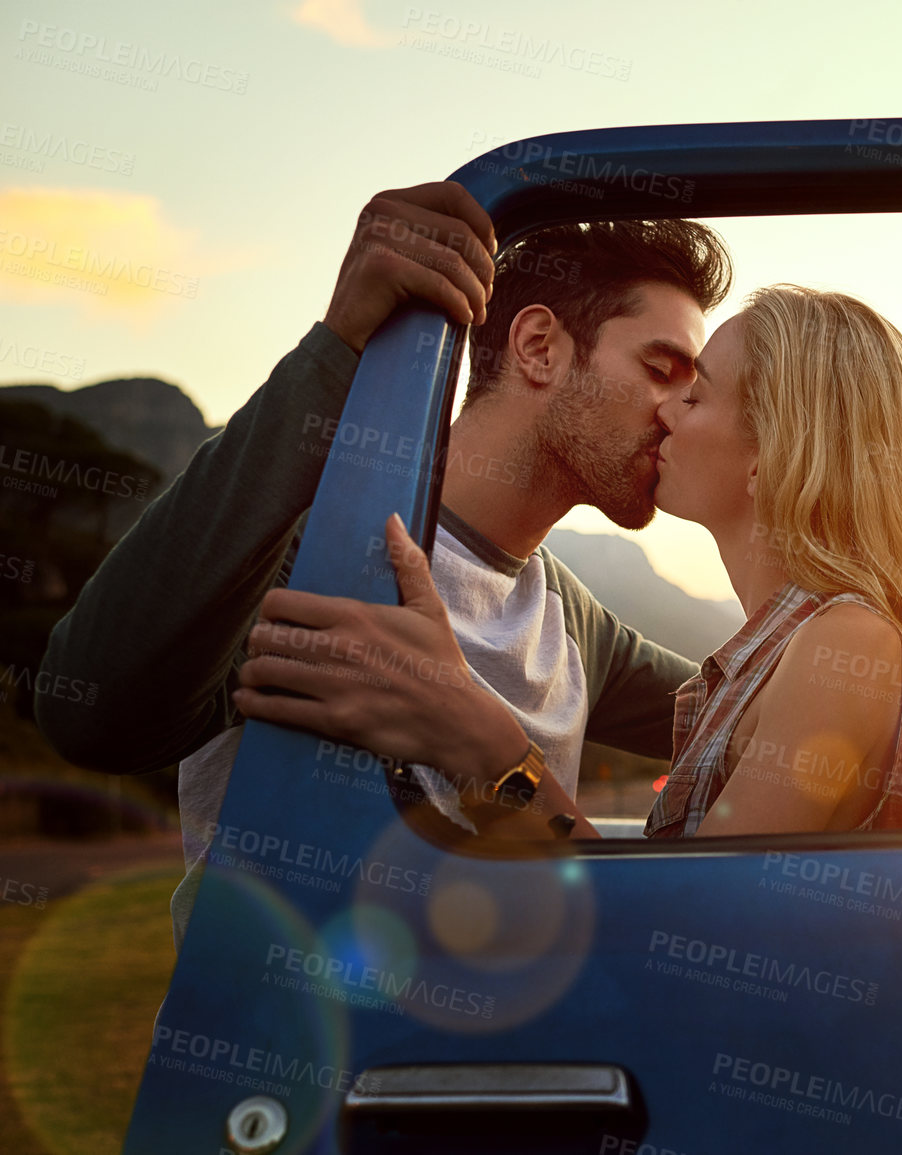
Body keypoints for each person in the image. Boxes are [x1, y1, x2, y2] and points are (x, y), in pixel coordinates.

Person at [35, 182, 733, 946]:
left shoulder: (570, 618)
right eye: (660, 368)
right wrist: (337, 348)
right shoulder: (315, 549)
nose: (676, 413)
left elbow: (756, 714)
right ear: (539, 348)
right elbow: (89, 715)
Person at [235, 284, 902, 837]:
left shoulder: (843, 647)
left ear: (771, 455)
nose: (664, 411)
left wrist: (483, 742)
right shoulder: (788, 653)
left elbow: (678, 937)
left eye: (694, 394)